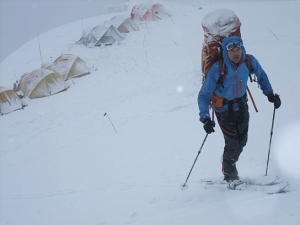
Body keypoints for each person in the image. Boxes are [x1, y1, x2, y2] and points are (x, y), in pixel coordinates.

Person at [197, 35, 281, 183]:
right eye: (232, 50)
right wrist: (205, 118)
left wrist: (270, 94)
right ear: (225, 51)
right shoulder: (218, 68)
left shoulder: (249, 61)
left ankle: (227, 160)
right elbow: (203, 94)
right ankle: (230, 174)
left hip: (241, 105)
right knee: (232, 142)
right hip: (223, 109)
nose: (236, 53)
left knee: (242, 140)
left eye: (238, 48)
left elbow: (261, 76)